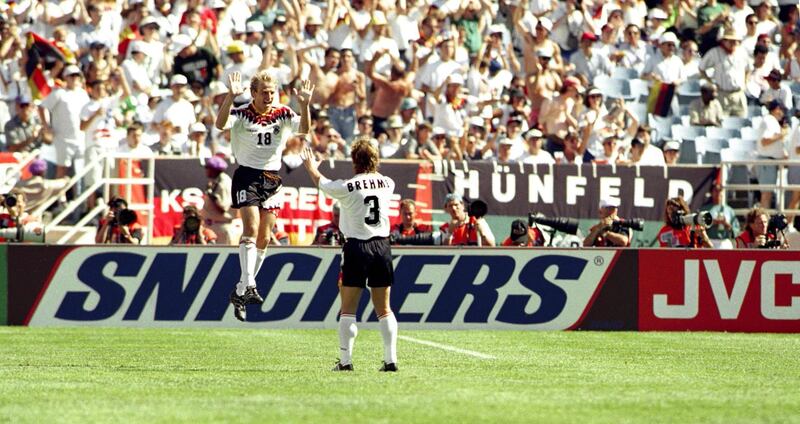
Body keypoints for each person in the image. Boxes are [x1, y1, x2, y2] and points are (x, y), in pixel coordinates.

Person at [215, 71, 313, 322]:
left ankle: (240, 291)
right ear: (253, 93)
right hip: (247, 176)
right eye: (264, 92)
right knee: (251, 228)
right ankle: (249, 284)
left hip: (272, 178)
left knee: (265, 237)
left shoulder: (282, 113)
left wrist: (304, 104)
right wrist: (230, 97)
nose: (269, 96)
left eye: (272, 92)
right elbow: (219, 124)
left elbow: (304, 130)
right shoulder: (242, 113)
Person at [301, 140, 398, 372]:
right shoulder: (388, 183)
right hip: (382, 246)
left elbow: (321, 183)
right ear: (376, 159)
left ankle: (345, 361)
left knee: (347, 309)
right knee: (384, 309)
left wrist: (311, 166)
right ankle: (390, 359)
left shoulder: (347, 186)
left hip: (356, 247)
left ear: (355, 161)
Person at [202, 156, 237, 245]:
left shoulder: (223, 183)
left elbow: (223, 208)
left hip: (220, 227)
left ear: (214, 169)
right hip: (213, 226)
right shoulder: (217, 181)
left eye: (208, 168)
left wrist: (211, 194)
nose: (206, 170)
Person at [700, 183, 739, 249]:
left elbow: (736, 230)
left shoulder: (729, 210)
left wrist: (726, 224)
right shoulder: (705, 210)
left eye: (720, 191)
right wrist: (712, 223)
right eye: (716, 191)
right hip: (709, 241)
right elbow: (699, 228)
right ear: (711, 193)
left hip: (724, 242)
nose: (718, 193)